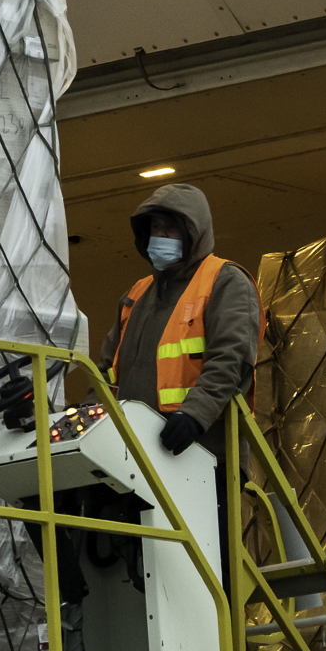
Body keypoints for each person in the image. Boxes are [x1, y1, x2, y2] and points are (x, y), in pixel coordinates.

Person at [95, 182, 260, 457]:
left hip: (202, 451)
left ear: (193, 233)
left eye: (170, 228)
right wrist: (92, 426)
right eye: (155, 227)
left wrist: (194, 415)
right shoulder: (136, 295)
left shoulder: (225, 281)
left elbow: (231, 358)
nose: (160, 235)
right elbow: (105, 372)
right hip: (133, 454)